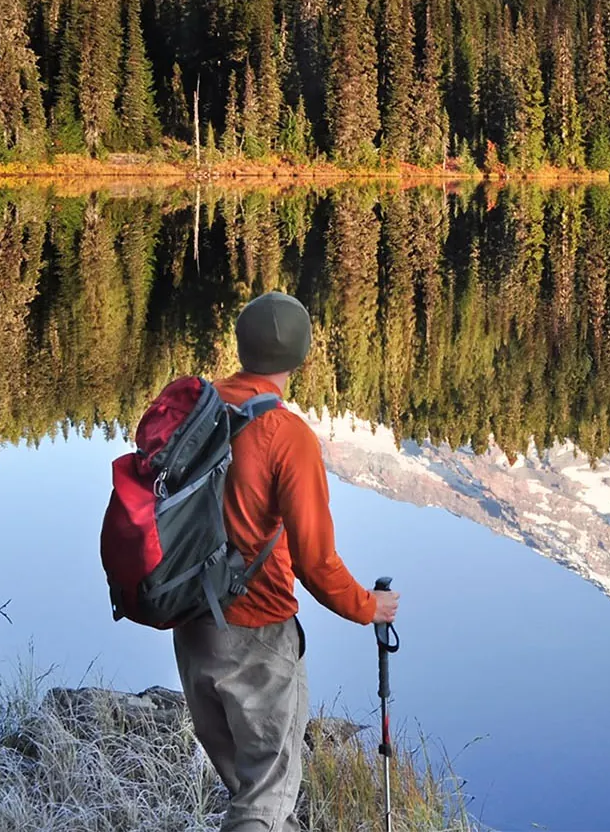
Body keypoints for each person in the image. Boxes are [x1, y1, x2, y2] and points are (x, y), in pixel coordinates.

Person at [174, 291, 401, 832]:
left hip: (189, 625)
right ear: (300, 356)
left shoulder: (194, 407)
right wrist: (370, 607)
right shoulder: (286, 434)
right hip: (256, 634)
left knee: (247, 791)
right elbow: (316, 560)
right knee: (265, 799)